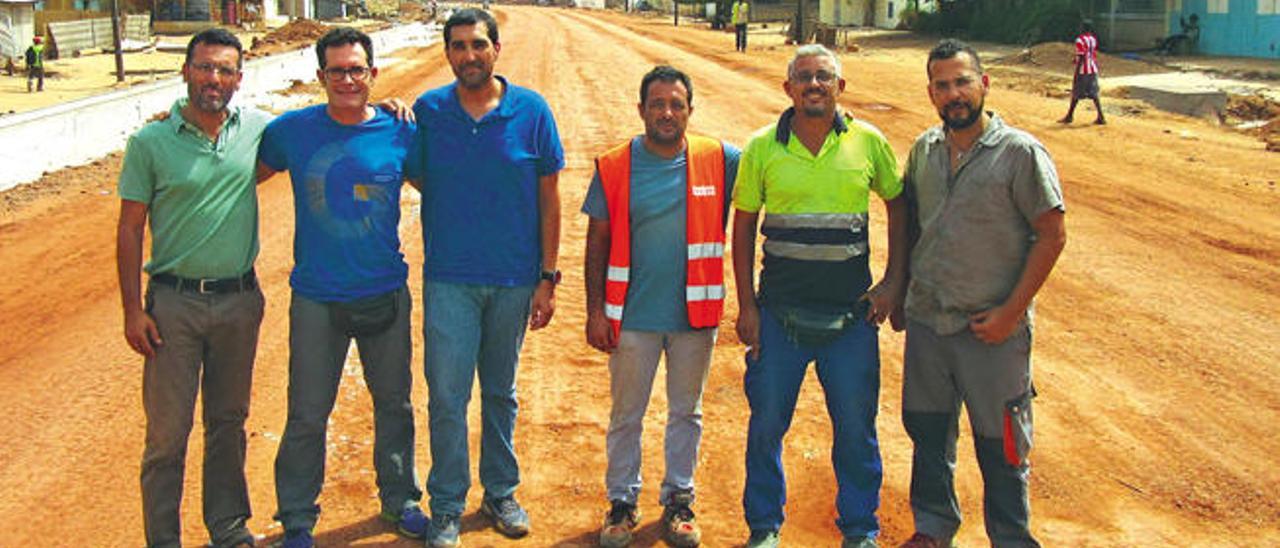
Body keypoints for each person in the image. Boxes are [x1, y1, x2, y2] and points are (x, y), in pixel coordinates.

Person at [255, 27, 427, 548]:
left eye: (357, 70)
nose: (347, 80)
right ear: (320, 77)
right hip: (316, 296)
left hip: (384, 292)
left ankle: (400, 500)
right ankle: (298, 519)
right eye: (337, 71)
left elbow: (441, 188)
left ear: (373, 74)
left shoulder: (402, 131)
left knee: (394, 404)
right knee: (307, 411)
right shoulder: (292, 131)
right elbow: (240, 178)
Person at [732, 44, 907, 548]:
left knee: (856, 430)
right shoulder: (763, 147)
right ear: (788, 89)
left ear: (840, 88)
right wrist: (747, 306)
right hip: (779, 318)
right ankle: (764, 527)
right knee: (766, 427)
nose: (814, 84)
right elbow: (743, 227)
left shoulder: (869, 143)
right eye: (803, 76)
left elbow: (898, 205)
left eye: (824, 76)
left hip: (851, 321)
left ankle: (860, 530)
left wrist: (893, 283)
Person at [896, 39, 1066, 548]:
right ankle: (933, 526)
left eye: (962, 81)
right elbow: (914, 228)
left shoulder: (1019, 154)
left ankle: (1011, 537)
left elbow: (1052, 234)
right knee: (928, 435)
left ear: (984, 84)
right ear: (931, 93)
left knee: (1003, 445)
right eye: (943, 85)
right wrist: (902, 293)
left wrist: (1011, 314)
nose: (954, 94)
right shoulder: (924, 151)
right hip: (930, 325)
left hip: (993, 331)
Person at [406, 8, 564, 548]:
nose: (468, 55)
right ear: (446, 52)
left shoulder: (532, 111)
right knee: (448, 396)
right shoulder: (428, 111)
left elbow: (549, 197)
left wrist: (547, 276)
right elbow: (414, 170)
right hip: (449, 279)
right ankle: (447, 505)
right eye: (458, 46)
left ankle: (500, 491)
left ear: (496, 48)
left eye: (478, 44)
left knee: (500, 391)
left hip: (514, 280)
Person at [116, 28, 269, 548]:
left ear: (239, 79)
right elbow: (130, 228)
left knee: (228, 422)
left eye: (225, 70)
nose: (214, 78)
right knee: (167, 435)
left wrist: (386, 106)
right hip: (174, 305)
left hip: (239, 302)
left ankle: (228, 528)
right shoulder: (150, 143)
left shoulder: (257, 131)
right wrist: (133, 311)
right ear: (185, 71)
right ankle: (163, 539)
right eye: (204, 67)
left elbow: (325, 128)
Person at [583, 65, 741, 548]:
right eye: (658, 104)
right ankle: (622, 504)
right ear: (641, 110)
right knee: (626, 414)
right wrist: (595, 310)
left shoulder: (721, 159)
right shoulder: (614, 166)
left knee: (686, 413)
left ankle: (679, 502)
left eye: (677, 104)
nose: (667, 113)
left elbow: (773, 161)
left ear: (690, 110)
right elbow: (598, 241)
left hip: (696, 316)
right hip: (632, 318)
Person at [1058, 21, 1105, 125]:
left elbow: (1082, 56)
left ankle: (1069, 116)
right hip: (1093, 68)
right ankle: (1101, 116)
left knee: (1076, 92)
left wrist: (1077, 71)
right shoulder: (1092, 39)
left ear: (1082, 28)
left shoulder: (1080, 40)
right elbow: (1090, 53)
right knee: (1094, 93)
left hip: (1083, 70)